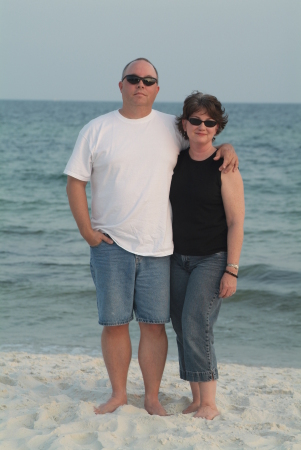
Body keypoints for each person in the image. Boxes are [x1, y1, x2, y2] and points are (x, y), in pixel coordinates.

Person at [64, 58, 238, 416]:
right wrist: (87, 232)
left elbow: (202, 141)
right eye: (133, 78)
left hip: (160, 248)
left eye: (148, 80)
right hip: (111, 245)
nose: (140, 84)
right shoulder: (96, 129)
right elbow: (75, 181)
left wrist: (227, 148)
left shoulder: (170, 128)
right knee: (114, 324)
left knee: (154, 326)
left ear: (157, 89)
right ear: (121, 85)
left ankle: (152, 398)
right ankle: (117, 395)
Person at [169, 91, 245, 419]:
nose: (202, 126)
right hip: (177, 257)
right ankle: (196, 399)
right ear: (184, 124)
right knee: (181, 326)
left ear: (217, 128)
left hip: (212, 258)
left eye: (209, 122)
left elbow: (236, 221)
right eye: (196, 120)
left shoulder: (224, 166)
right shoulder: (176, 158)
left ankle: (210, 403)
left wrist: (232, 269)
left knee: (197, 322)